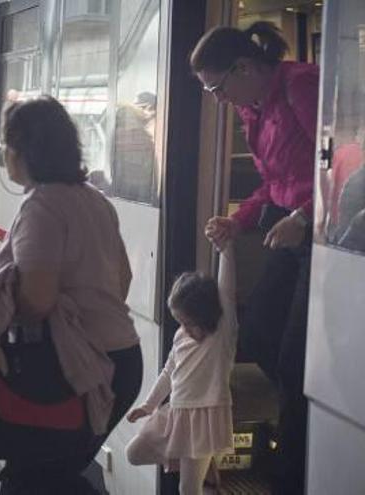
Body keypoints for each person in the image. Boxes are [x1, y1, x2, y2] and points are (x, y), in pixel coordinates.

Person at [0, 96, 142, 493]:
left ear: (22, 151)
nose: (4, 154)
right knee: (50, 472)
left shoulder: (41, 206)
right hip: (123, 359)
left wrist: (1, 314)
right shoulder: (94, 199)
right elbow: (123, 279)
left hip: (77, 369)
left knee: (32, 478)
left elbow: (38, 299)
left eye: (5, 145)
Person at [191, 22, 317, 494]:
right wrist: (237, 221)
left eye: (216, 87)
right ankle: (298, 429)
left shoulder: (301, 85)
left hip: (321, 233)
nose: (217, 99)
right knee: (260, 333)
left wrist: (303, 218)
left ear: (244, 67)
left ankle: (293, 471)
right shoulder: (254, 108)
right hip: (291, 227)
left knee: (293, 360)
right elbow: (273, 183)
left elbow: (348, 158)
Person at [126, 243, 237, 495]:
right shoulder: (180, 336)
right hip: (175, 413)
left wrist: (226, 250)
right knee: (134, 453)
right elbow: (168, 372)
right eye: (180, 323)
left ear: (207, 316)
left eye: (188, 323)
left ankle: (205, 471)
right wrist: (149, 405)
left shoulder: (220, 335)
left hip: (203, 416)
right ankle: (206, 469)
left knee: (188, 489)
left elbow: (226, 294)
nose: (183, 329)